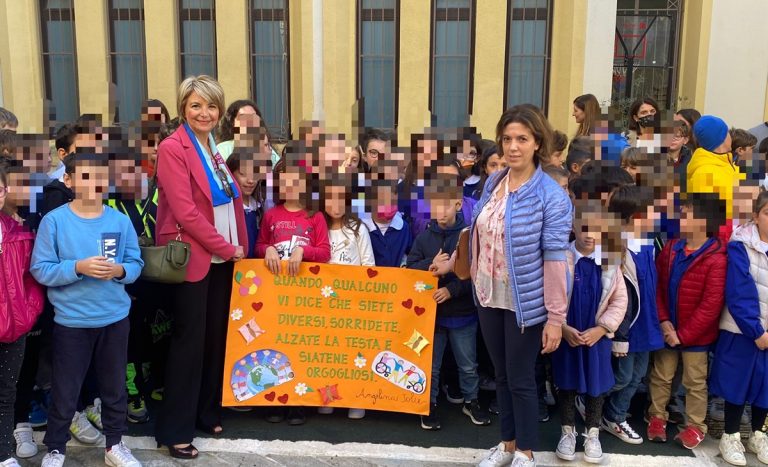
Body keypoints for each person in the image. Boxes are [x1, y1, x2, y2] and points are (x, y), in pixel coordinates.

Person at [154, 75, 248, 459]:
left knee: (215, 340)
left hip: (224, 258)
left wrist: (237, 249)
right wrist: (226, 247)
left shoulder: (213, 148)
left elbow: (230, 201)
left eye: (210, 106)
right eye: (196, 105)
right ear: (183, 109)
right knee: (189, 345)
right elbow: (186, 212)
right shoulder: (172, 148)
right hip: (197, 257)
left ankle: (206, 412)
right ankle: (176, 429)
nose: (204, 112)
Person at [474, 106, 572, 467]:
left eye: (522, 139)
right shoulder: (494, 182)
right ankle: (508, 443)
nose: (513, 147)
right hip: (488, 294)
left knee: (520, 379)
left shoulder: (551, 195)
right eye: (507, 139)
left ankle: (527, 453)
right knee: (501, 376)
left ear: (537, 143)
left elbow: (555, 259)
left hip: (525, 302)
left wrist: (555, 318)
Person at [31, 153, 144, 467]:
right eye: (84, 177)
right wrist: (77, 267)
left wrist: (120, 271)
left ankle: (115, 445)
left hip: (114, 318)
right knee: (66, 389)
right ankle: (55, 448)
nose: (93, 184)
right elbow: (40, 269)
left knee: (114, 386)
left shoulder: (119, 221)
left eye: (99, 177)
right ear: (68, 181)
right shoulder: (54, 221)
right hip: (71, 321)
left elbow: (136, 265)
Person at [407, 173, 490, 431]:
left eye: (445, 204)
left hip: (462, 313)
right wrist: (431, 266)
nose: (439, 210)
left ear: (457, 205)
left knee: (468, 364)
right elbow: (411, 269)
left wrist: (451, 290)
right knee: (431, 365)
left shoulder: (467, 237)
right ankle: (427, 403)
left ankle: (471, 400)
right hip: (431, 315)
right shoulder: (423, 238)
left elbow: (473, 274)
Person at [648, 192, 727, 450]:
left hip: (696, 337)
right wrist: (663, 321)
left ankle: (695, 425)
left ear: (704, 221)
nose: (681, 218)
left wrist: (683, 335)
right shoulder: (673, 247)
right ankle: (657, 416)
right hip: (668, 328)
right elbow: (657, 286)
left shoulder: (716, 257)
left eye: (687, 214)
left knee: (695, 381)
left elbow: (711, 305)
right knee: (662, 375)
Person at [256, 158, 331, 425]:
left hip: (305, 296)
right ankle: (274, 397)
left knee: (300, 347)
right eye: (285, 180)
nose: (290, 185)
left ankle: (298, 402)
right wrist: (267, 248)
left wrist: (304, 250)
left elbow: (324, 252)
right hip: (275, 295)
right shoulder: (271, 215)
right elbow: (260, 244)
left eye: (296, 180)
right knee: (274, 346)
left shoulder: (316, 216)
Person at [553, 204, 627, 464]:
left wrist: (603, 328)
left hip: (596, 337)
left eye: (596, 229)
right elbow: (548, 294)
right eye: (584, 228)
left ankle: (592, 433)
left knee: (596, 385)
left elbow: (619, 300)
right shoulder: (560, 258)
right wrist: (560, 326)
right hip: (568, 334)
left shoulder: (610, 261)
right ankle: (567, 432)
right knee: (567, 382)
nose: (589, 234)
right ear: (573, 227)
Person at [602, 185, 664, 445]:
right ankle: (589, 400)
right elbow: (619, 299)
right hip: (627, 329)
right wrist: (619, 335)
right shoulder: (618, 249)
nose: (658, 215)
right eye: (653, 211)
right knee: (621, 376)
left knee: (637, 375)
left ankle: (615, 415)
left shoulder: (648, 244)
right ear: (637, 216)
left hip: (646, 323)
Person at [711, 191, 768, 466]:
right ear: (756, 215)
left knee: (765, 386)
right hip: (742, 330)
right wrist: (757, 332)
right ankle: (730, 435)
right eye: (767, 213)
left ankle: (758, 434)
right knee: (737, 384)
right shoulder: (741, 245)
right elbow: (739, 292)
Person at [0, 167, 44, 467]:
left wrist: (29, 312)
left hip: (14, 328)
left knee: (6, 394)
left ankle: (3, 455)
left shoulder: (21, 231)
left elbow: (31, 279)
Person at [320, 176, 374, 419]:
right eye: (331, 197)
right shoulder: (317, 227)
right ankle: (329, 396)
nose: (336, 203)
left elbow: (368, 265)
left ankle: (355, 398)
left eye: (341, 197)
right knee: (328, 352)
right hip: (323, 303)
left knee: (353, 353)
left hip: (352, 302)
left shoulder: (358, 229)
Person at [686, 115, 746, 240]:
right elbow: (707, 224)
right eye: (727, 132)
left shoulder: (731, 166)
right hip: (723, 246)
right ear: (722, 138)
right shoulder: (703, 173)